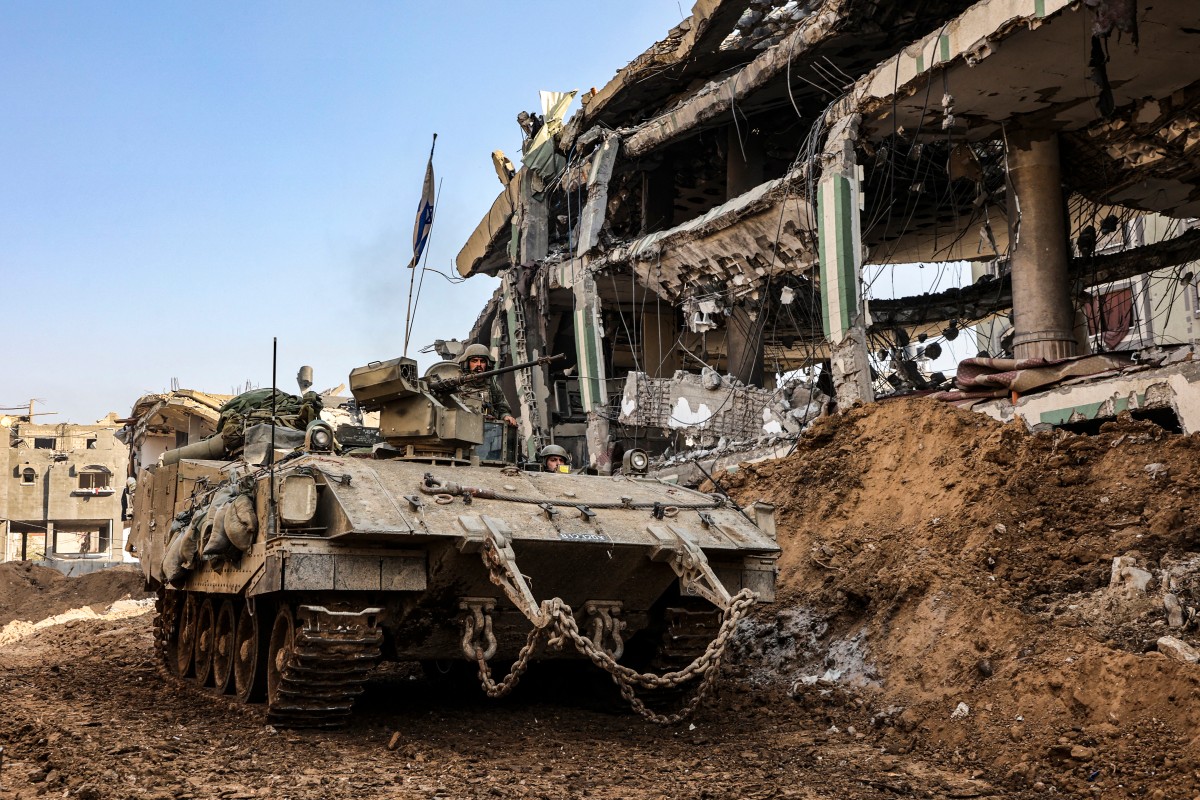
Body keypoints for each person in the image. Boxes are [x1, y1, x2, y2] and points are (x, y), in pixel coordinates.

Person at [457, 344, 517, 427]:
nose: (479, 365)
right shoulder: (458, 386)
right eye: (474, 361)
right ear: (467, 364)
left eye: (482, 361)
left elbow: (503, 408)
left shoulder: (492, 387)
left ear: (488, 364)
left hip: (488, 430)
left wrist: (506, 416)